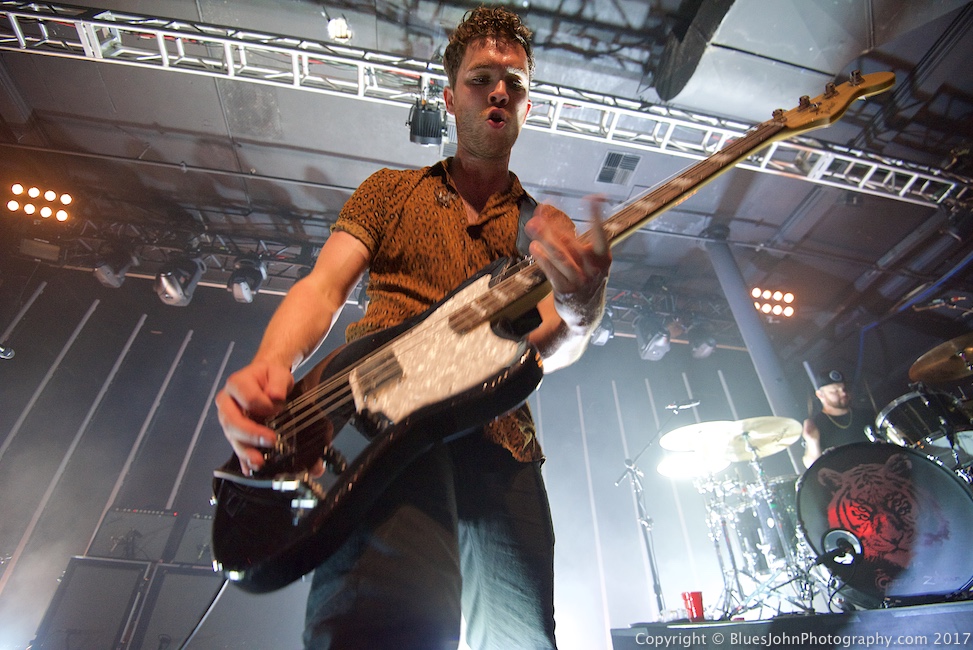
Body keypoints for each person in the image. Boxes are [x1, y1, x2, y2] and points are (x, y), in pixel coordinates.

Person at [215, 7, 611, 649]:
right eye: (483, 78)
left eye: (515, 81)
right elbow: (323, 288)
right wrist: (273, 362)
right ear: (451, 99)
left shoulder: (544, 228)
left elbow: (550, 348)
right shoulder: (388, 192)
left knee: (522, 640)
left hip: (498, 442)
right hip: (380, 421)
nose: (501, 91)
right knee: (381, 626)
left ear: (528, 107)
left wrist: (581, 307)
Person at [801, 369, 874, 468]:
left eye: (844, 389)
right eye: (835, 391)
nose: (843, 393)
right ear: (820, 395)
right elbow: (812, 465)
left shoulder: (866, 414)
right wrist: (812, 441)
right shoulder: (817, 424)